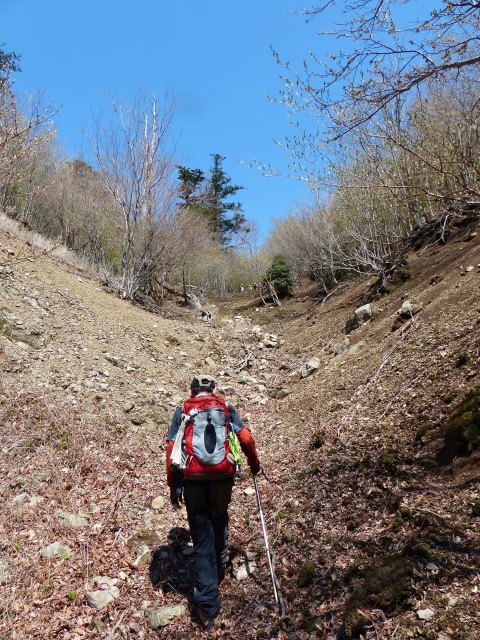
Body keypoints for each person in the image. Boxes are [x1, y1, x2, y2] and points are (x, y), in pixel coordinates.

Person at [166, 374, 261, 630]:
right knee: (219, 518)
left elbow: (172, 448)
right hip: (223, 479)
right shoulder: (227, 409)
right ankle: (218, 569)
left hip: (194, 482)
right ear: (213, 390)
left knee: (201, 540)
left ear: (192, 390)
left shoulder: (182, 412)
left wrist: (174, 485)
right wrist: (254, 464)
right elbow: (246, 439)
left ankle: (208, 608)